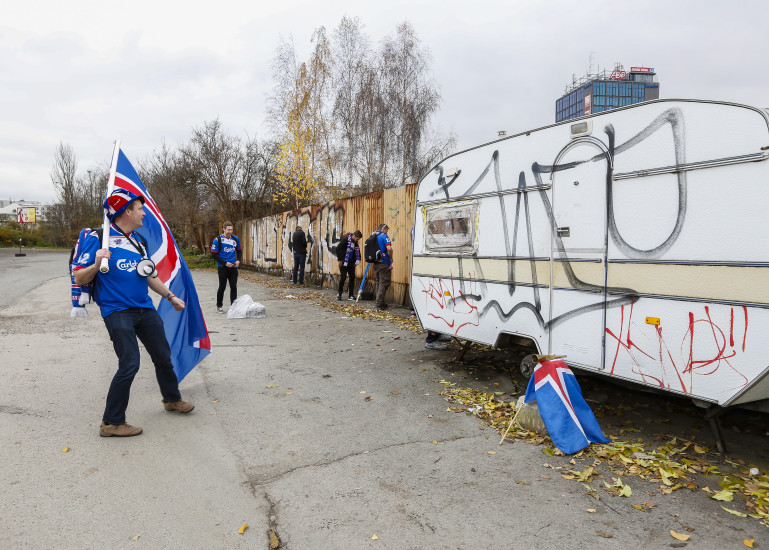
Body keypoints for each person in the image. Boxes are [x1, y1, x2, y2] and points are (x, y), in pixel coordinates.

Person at [73, 189, 194, 437]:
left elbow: (150, 275)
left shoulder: (138, 241)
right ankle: (111, 423)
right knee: (129, 363)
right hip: (117, 311)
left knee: (163, 356)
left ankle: (171, 399)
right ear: (126, 211)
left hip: (144, 309)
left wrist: (170, 296)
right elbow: (78, 276)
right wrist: (96, 263)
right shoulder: (99, 238)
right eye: (140, 208)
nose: (143, 213)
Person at [211, 221, 242, 313]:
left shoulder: (235, 239)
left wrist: (238, 260)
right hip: (222, 267)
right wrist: (225, 263)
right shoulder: (217, 240)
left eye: (231, 229)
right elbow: (214, 255)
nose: (230, 231)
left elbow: (239, 251)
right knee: (222, 286)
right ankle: (219, 306)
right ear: (224, 229)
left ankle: (233, 307)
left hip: (233, 267)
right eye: (228, 230)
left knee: (234, 287)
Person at [336, 230, 363, 300]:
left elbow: (357, 251)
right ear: (354, 236)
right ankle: (339, 294)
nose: (357, 240)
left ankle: (351, 295)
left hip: (351, 262)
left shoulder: (355, 243)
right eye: (357, 239)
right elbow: (338, 249)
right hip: (344, 262)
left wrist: (358, 259)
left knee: (352, 277)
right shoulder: (346, 240)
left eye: (358, 239)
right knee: (343, 277)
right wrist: (340, 260)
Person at [374, 223, 393, 310]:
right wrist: (391, 258)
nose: (387, 232)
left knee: (378, 282)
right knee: (384, 282)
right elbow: (389, 248)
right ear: (384, 229)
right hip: (384, 262)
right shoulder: (383, 236)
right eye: (387, 230)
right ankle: (379, 303)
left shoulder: (374, 236)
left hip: (376, 263)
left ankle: (379, 301)